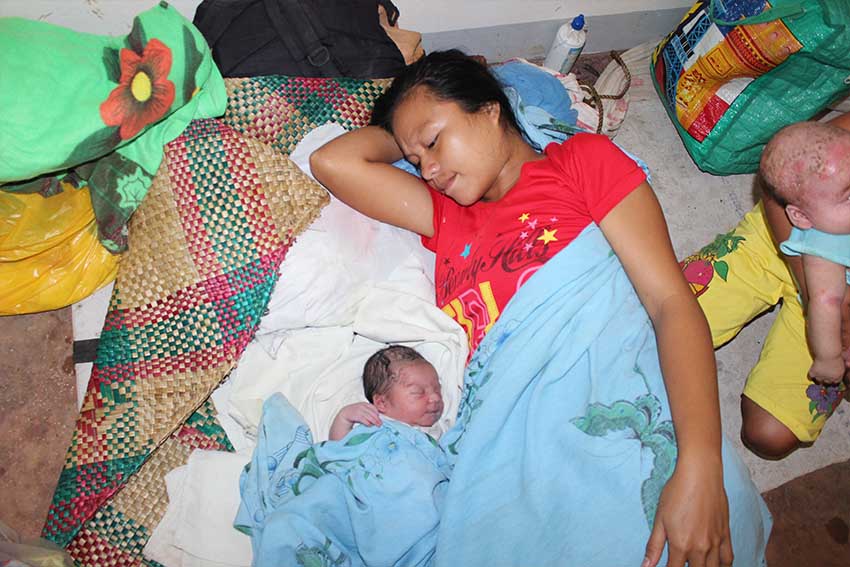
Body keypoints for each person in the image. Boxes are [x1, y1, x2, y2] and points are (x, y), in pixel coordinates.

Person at [311, 50, 754, 567]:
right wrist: (408, 129)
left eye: (434, 142)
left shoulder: (580, 162)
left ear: (489, 109)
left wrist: (701, 464)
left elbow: (669, 303)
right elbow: (333, 162)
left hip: (608, 398)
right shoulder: (445, 218)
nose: (428, 169)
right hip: (513, 447)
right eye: (417, 160)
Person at [682, 113, 850, 460]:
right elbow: (786, 172)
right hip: (784, 245)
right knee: (652, 321)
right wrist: (829, 334)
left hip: (835, 302)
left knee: (769, 435)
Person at [761, 122, 850, 385]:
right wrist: (829, 358)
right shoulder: (825, 248)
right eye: (848, 197)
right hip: (827, 323)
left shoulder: (832, 204)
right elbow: (825, 302)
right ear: (801, 216)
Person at [329, 345, 444, 440]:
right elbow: (338, 452)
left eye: (437, 388)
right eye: (418, 392)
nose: (435, 397)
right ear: (382, 403)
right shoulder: (373, 424)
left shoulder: (438, 433)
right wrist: (344, 419)